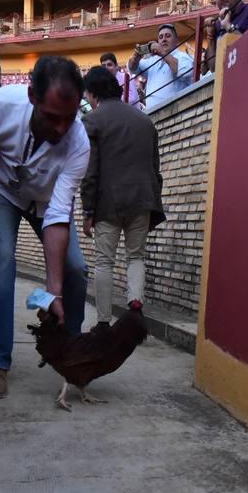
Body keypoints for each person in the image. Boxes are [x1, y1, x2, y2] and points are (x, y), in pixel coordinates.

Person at [0, 56, 91, 400]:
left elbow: (60, 214)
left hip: (47, 204)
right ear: (32, 95)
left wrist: (53, 293)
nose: (62, 128)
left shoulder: (79, 144)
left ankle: (69, 351)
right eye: (52, 117)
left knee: (75, 267)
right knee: (2, 259)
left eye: (70, 118)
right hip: (2, 190)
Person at [79, 66, 164, 326]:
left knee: (105, 261)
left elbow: (90, 171)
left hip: (108, 203)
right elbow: (155, 168)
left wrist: (87, 211)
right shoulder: (144, 120)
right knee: (136, 256)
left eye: (87, 96)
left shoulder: (92, 120)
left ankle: (104, 322)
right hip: (143, 199)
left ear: (93, 94)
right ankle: (135, 306)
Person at [128, 23, 193, 109]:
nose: (164, 40)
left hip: (175, 112)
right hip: (153, 114)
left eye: (168, 36)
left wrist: (161, 51)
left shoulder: (182, 57)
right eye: (161, 37)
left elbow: (185, 73)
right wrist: (136, 56)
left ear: (176, 40)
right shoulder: (153, 60)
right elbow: (132, 68)